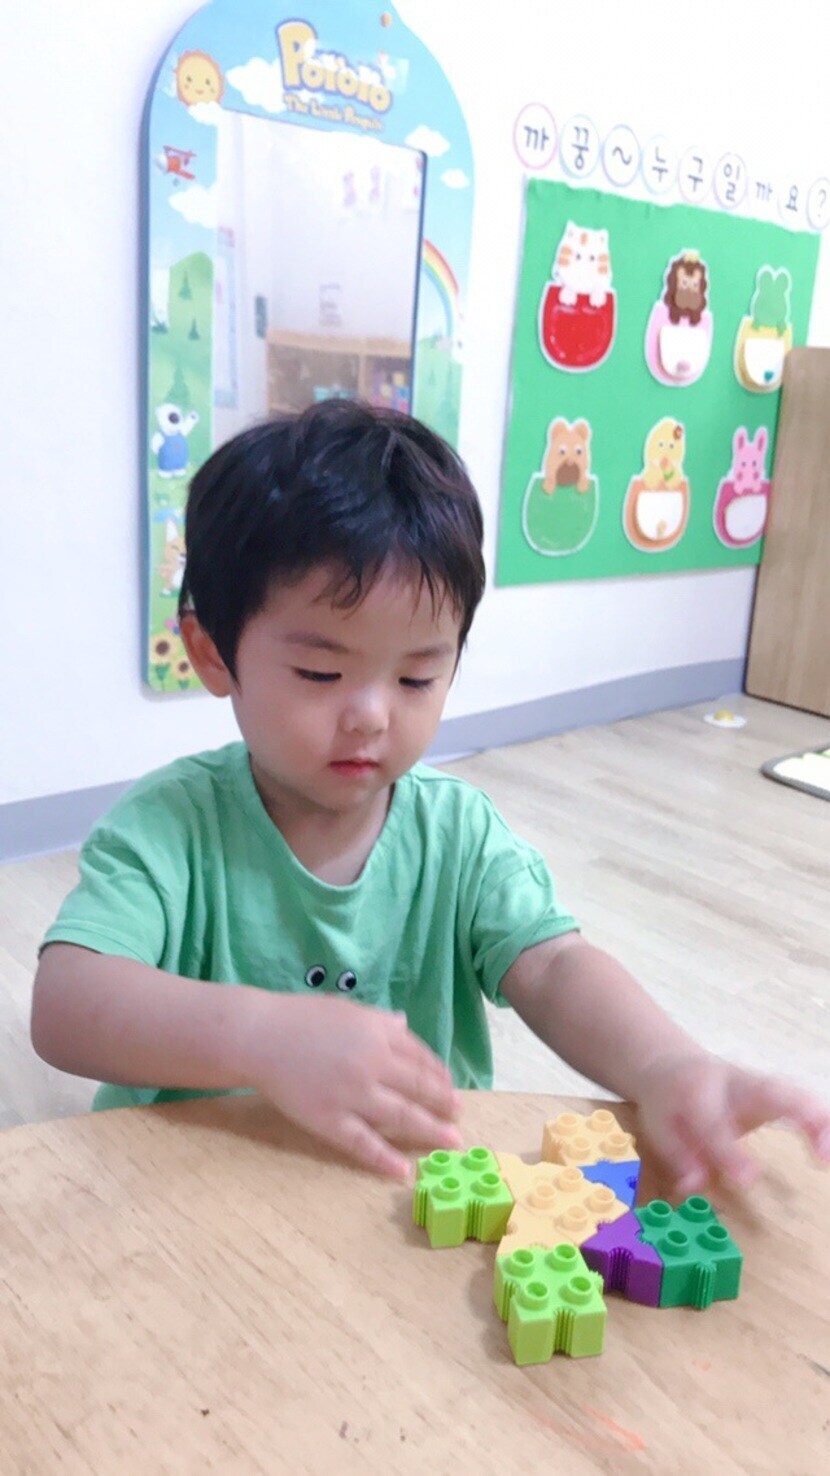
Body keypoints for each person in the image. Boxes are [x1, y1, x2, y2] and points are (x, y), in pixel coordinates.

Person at [32, 400, 830, 1188]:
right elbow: (66, 1003)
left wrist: (668, 1065)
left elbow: (554, 967)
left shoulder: (458, 833)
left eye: (417, 677)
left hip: (411, 1197)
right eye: (320, 672)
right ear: (212, 654)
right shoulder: (170, 829)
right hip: (195, 1192)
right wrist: (260, 1037)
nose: (371, 716)